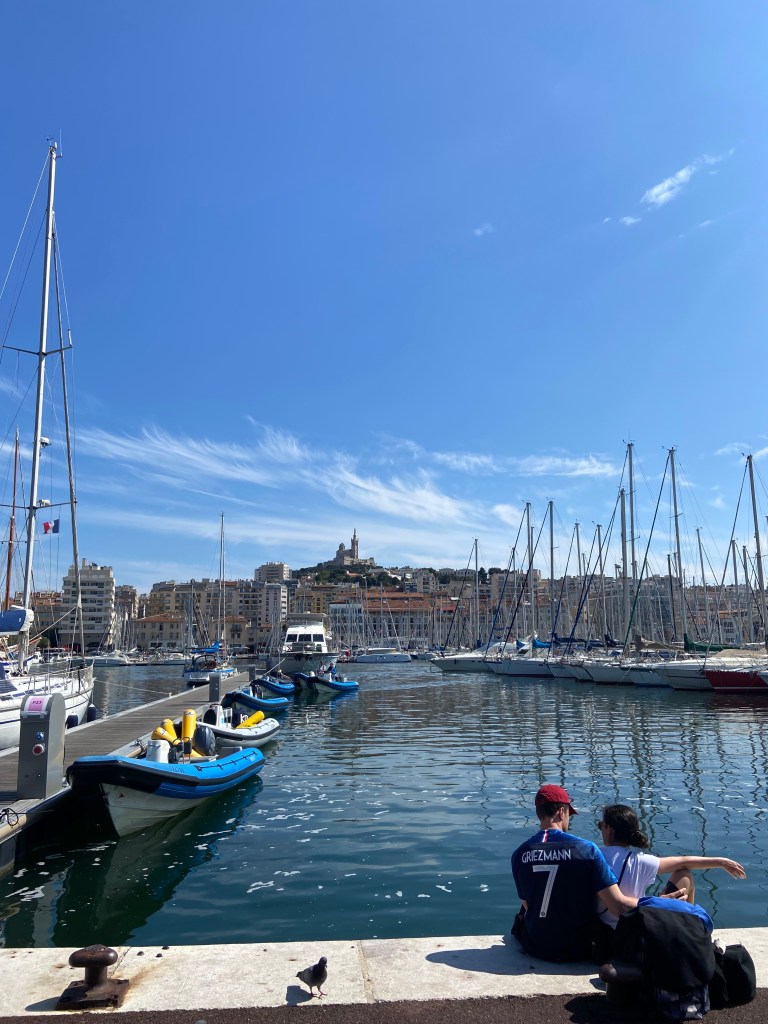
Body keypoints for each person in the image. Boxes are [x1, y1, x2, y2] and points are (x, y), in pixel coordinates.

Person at [511, 784, 649, 962]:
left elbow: (528, 905)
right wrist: (659, 903)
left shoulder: (519, 854)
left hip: (535, 945)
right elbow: (619, 906)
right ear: (562, 812)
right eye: (569, 814)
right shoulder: (586, 850)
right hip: (578, 948)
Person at [596, 803, 746, 928]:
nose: (601, 828)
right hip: (636, 930)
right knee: (684, 873)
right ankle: (690, 928)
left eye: (601, 825)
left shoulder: (594, 856)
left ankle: (687, 926)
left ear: (610, 830)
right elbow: (684, 861)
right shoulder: (641, 861)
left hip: (604, 935)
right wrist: (721, 862)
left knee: (681, 873)